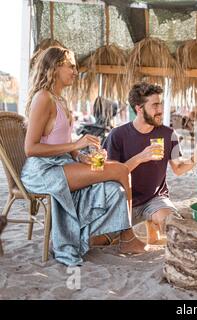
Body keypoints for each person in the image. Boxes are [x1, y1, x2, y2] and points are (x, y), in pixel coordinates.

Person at [20, 46, 147, 266]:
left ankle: (102, 236)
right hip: (44, 170)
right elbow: (30, 148)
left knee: (113, 188)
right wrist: (76, 144)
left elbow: (61, 143)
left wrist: (80, 156)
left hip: (62, 163)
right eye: (71, 66)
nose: (75, 71)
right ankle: (127, 238)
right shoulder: (43, 98)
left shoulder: (59, 99)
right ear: (54, 67)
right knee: (121, 170)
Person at [103, 82, 197, 245]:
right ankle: (142, 227)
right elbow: (110, 175)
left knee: (174, 227)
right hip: (124, 202)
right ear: (139, 108)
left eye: (161, 104)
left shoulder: (168, 134)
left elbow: (178, 168)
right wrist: (140, 157)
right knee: (99, 241)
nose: (160, 110)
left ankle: (153, 223)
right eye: (155, 105)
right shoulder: (118, 135)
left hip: (155, 199)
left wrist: (196, 156)